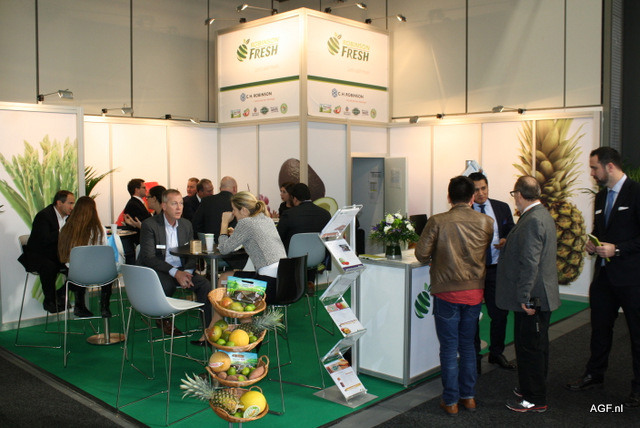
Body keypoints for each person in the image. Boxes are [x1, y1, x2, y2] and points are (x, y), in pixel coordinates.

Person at [566, 147, 640, 408]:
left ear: (610, 166)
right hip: (604, 277)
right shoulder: (600, 197)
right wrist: (593, 244)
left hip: (631, 279)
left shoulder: (636, 192)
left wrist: (617, 249)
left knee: (636, 334)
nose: (592, 173)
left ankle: (638, 387)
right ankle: (594, 375)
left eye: (594, 167)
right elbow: (601, 231)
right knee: (599, 329)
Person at [414, 176, 493, 416]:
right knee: (468, 346)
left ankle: (451, 401)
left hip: (446, 291)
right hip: (474, 292)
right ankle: (468, 397)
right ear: (472, 197)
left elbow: (421, 254)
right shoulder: (486, 222)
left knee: (449, 349)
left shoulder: (437, 221)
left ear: (449, 197)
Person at [496, 175, 560, 413]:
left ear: (519, 195)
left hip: (533, 297)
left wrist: (525, 297)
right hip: (538, 295)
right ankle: (530, 388)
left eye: (514, 195)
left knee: (530, 348)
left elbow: (531, 262)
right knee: (534, 345)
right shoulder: (541, 214)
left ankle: (534, 399)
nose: (515, 200)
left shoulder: (532, 219)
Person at [137, 189, 211, 338]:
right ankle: (163, 318)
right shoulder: (150, 225)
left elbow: (192, 252)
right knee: (167, 284)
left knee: (205, 284)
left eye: (181, 203)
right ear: (164, 206)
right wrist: (176, 273)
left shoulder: (186, 224)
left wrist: (187, 273)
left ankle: (208, 328)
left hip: (182, 269)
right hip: (159, 269)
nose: (179, 208)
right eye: (174, 204)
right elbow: (149, 258)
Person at [468, 172, 516, 373]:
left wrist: (506, 240)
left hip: (496, 269)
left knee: (500, 314)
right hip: (474, 272)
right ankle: (474, 357)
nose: (481, 193)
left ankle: (497, 353)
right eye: (476, 190)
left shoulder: (501, 207)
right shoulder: (465, 212)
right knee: (472, 316)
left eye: (483, 188)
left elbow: (512, 230)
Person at [218, 191, 287, 305]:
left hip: (266, 284)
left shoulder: (246, 223)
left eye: (234, 209)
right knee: (229, 276)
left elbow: (223, 249)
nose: (233, 213)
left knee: (224, 278)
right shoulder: (266, 219)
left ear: (244, 210)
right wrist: (238, 235)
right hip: (283, 281)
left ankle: (227, 313)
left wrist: (224, 223)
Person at [18, 190, 75, 313]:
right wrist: (62, 232)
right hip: (39, 254)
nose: (72, 207)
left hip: (58, 255)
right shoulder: (43, 216)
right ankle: (50, 301)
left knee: (79, 268)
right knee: (49, 267)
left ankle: (60, 294)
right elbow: (44, 240)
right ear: (59, 203)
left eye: (73, 203)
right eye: (70, 203)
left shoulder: (71, 217)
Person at [58, 196, 112, 318]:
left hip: (74, 273)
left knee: (79, 271)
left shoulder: (66, 229)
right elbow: (105, 251)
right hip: (97, 273)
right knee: (108, 272)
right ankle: (105, 307)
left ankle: (72, 299)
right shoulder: (99, 230)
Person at [277, 183, 331, 252]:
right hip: (319, 256)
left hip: (294, 256)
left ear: (295, 199)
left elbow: (278, 237)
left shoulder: (288, 214)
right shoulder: (325, 214)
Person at [193, 176, 238, 242]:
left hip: (209, 243)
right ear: (234, 188)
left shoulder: (206, 200)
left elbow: (196, 224)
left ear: (220, 188)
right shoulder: (238, 204)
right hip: (230, 244)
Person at [122, 178, 151, 263]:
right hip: (140, 241)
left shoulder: (138, 203)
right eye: (143, 187)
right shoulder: (133, 204)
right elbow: (145, 221)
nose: (146, 189)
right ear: (136, 190)